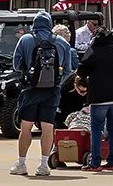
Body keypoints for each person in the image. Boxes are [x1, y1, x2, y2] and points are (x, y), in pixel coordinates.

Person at [10, 11, 74, 176]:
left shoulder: (25, 40)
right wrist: (57, 82)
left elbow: (16, 65)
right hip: (52, 91)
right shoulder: (61, 42)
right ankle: (44, 165)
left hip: (30, 90)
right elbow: (68, 69)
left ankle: (22, 163)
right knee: (47, 127)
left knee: (26, 127)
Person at [77, 29, 113, 171]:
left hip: (99, 97)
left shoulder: (92, 52)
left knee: (96, 129)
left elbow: (81, 72)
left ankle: (95, 162)